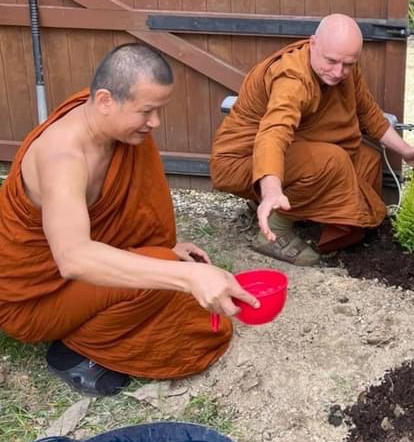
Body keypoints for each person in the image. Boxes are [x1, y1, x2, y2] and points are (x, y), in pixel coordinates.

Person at [0, 44, 258, 396]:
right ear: (105, 100)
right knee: (174, 286)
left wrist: (166, 251)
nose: (155, 123)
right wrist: (187, 276)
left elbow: (124, 214)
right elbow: (73, 258)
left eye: (159, 110)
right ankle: (74, 350)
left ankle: (112, 317)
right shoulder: (63, 158)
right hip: (34, 300)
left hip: (75, 274)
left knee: (178, 286)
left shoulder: (115, 129)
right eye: (147, 111)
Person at [210, 14, 414, 265]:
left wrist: (405, 150)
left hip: (289, 151)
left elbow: (368, 113)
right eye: (331, 61)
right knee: (331, 161)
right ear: (312, 44)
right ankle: (274, 230)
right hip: (243, 161)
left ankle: (327, 220)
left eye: (348, 64)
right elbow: (273, 133)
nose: (338, 72)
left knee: (366, 159)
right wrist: (271, 191)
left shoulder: (344, 69)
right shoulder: (292, 79)